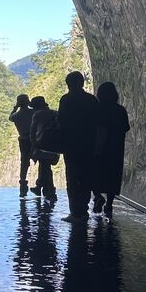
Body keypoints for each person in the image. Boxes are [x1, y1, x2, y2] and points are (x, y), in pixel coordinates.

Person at [57, 71, 99, 222]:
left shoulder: (66, 100)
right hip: (88, 144)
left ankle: (75, 212)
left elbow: (60, 121)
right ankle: (84, 209)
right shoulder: (92, 100)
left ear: (69, 84)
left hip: (71, 145)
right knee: (86, 177)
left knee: (73, 178)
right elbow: (98, 123)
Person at [91, 82, 130, 219]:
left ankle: (97, 196)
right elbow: (126, 127)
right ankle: (109, 204)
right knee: (113, 176)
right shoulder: (120, 110)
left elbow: (98, 129)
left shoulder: (98, 109)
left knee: (95, 175)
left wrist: (97, 148)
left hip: (100, 149)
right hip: (116, 149)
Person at [29, 95, 58, 200]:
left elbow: (32, 132)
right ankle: (45, 189)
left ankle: (48, 190)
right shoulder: (55, 113)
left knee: (44, 167)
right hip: (54, 146)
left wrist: (33, 146)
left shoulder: (37, 115)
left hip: (42, 144)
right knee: (45, 168)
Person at [9, 93, 34, 196]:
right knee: (42, 160)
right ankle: (43, 184)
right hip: (34, 139)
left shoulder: (16, 115)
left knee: (24, 162)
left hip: (23, 139)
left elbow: (10, 117)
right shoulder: (33, 112)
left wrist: (15, 107)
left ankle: (22, 182)